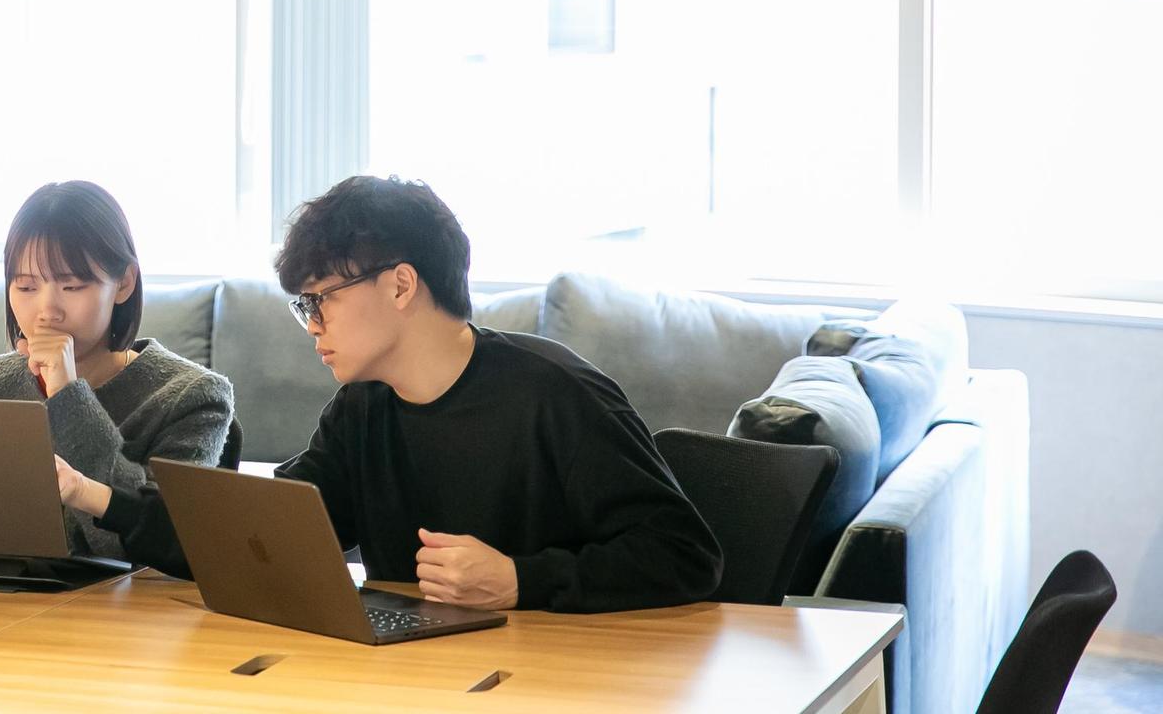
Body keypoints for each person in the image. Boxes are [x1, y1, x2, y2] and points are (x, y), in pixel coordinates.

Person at [55, 174, 723, 612]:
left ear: (401, 285)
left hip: (553, 680)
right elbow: (261, 535)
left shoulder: (556, 396)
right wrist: (95, 496)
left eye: (321, 300)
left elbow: (686, 554)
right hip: (411, 673)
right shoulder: (362, 406)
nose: (312, 326)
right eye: (302, 306)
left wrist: (521, 579)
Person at [0, 180, 234, 561]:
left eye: (72, 287)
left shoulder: (192, 397)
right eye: (26, 287)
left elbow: (153, 544)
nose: (47, 311)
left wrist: (67, 395)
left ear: (124, 283)